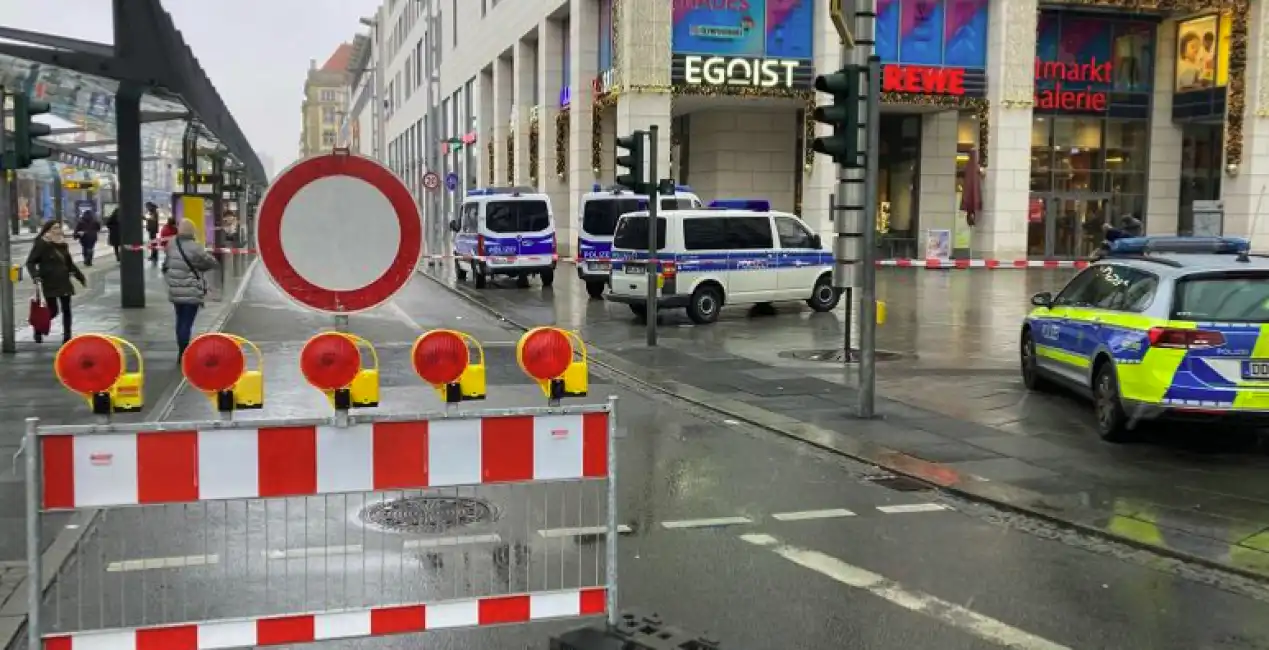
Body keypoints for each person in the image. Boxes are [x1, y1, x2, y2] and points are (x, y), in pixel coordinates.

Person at [163, 219, 217, 359]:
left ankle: (181, 349)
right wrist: (200, 267)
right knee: (186, 323)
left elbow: (167, 263)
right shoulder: (195, 247)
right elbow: (211, 262)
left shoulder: (171, 244)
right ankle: (184, 352)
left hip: (175, 290)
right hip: (191, 290)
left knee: (180, 321)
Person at [26, 220, 86, 344]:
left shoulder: (63, 244)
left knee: (66, 309)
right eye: (54, 228)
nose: (57, 231)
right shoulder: (42, 244)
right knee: (52, 310)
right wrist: (35, 276)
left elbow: (69, 263)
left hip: (64, 281)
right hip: (49, 282)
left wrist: (80, 277)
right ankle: (38, 328)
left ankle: (67, 336)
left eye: (58, 228)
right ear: (47, 230)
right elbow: (30, 262)